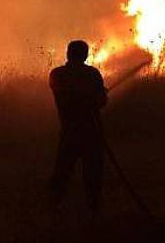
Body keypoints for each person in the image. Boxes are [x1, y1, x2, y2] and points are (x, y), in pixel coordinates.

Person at [48, 40, 108, 221]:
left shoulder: (57, 74)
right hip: (91, 133)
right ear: (85, 55)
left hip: (69, 132)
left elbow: (62, 96)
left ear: (67, 53)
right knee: (92, 174)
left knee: (63, 171)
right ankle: (93, 210)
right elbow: (101, 102)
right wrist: (98, 96)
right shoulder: (92, 74)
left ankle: (52, 206)